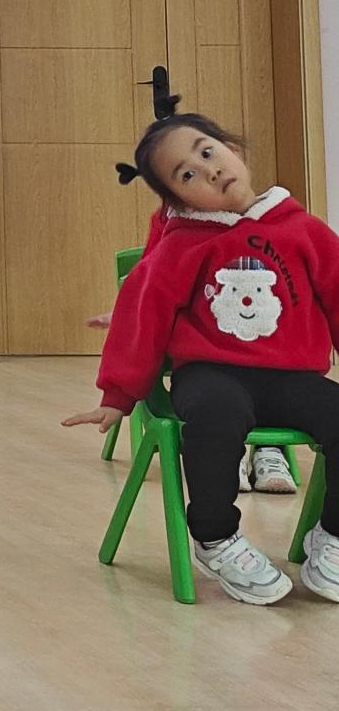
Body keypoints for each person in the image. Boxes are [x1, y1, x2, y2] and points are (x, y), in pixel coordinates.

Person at [65, 112, 339, 605]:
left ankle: (334, 535)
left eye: (208, 152)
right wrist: (118, 395)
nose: (209, 171)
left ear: (234, 149)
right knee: (216, 416)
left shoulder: (305, 230)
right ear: (178, 200)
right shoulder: (181, 245)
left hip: (292, 378)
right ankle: (215, 538)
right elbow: (143, 315)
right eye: (187, 175)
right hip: (212, 375)